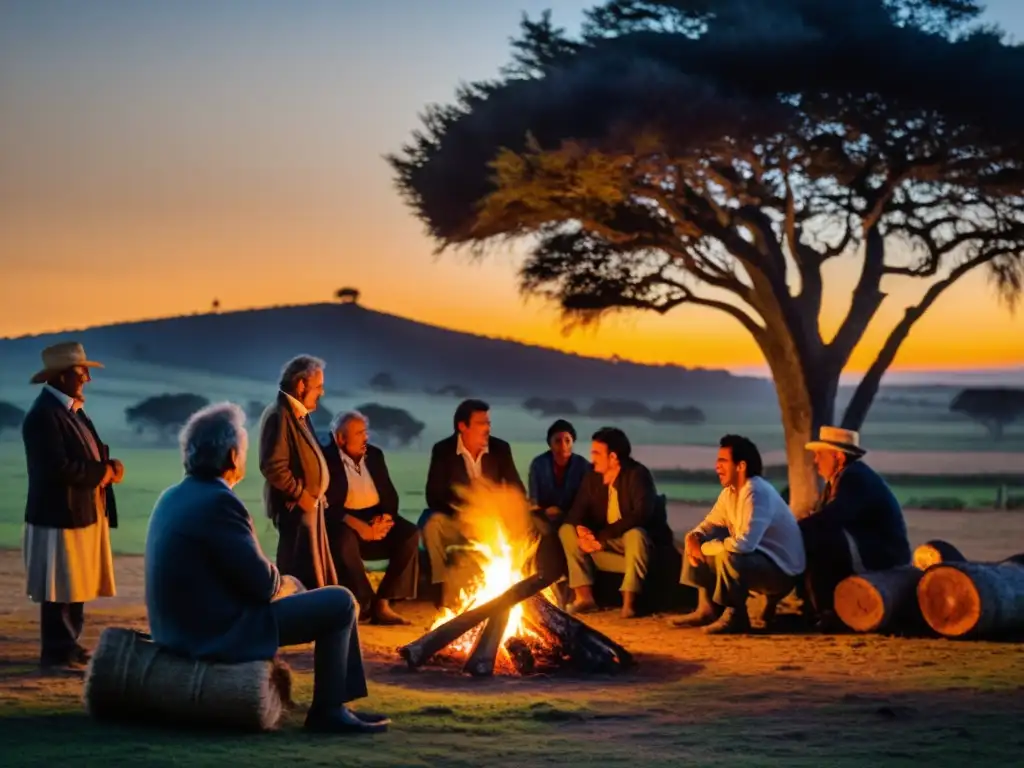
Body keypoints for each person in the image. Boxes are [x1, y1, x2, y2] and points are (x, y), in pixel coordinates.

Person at [145, 402, 389, 734]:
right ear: (233, 457)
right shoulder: (219, 501)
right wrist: (288, 584)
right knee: (340, 602)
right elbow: (261, 583)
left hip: (176, 628)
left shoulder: (171, 496)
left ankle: (339, 705)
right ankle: (330, 710)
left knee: (324, 598)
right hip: (214, 632)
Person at [22, 342, 124, 669]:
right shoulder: (44, 416)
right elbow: (58, 469)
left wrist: (107, 467)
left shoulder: (67, 410)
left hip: (77, 513)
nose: (87, 379)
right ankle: (56, 651)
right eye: (82, 372)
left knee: (75, 582)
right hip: (58, 515)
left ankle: (68, 645)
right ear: (63, 376)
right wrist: (105, 472)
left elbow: (80, 459)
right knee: (59, 586)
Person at [671, 435, 805, 634]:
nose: (717, 467)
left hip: (781, 572)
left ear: (741, 466)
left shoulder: (756, 492)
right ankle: (706, 609)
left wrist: (706, 547)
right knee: (694, 540)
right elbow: (710, 524)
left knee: (730, 555)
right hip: (758, 560)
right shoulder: (730, 493)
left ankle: (736, 616)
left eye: (723, 461)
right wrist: (695, 537)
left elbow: (744, 545)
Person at [799, 426, 911, 629]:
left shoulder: (854, 478)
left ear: (839, 457)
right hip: (867, 547)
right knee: (813, 534)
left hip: (882, 554)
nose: (815, 461)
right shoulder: (840, 479)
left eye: (820, 455)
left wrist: (794, 528)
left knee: (822, 539)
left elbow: (832, 517)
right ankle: (813, 607)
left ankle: (826, 611)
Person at [420, 399, 526, 604]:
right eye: (481, 423)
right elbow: (433, 495)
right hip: (457, 517)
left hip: (491, 522)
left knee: (522, 525)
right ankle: (441, 589)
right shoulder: (443, 450)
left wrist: (492, 502)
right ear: (462, 426)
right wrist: (466, 504)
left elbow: (517, 489)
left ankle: (509, 589)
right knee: (433, 525)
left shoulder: (500, 449)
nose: (487, 428)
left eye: (488, 423)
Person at [559, 427, 671, 619]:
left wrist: (601, 538)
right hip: (603, 545)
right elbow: (576, 512)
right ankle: (584, 597)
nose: (591, 458)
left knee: (635, 533)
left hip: (636, 547)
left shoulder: (637, 474)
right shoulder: (593, 477)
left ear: (613, 457)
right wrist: (582, 531)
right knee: (566, 530)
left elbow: (641, 514)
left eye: (596, 453)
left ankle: (630, 602)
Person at [322, 410, 419, 625]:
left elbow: (389, 495)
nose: (365, 437)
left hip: (375, 515)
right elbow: (327, 505)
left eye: (365, 432)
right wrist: (360, 526)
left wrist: (384, 519)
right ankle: (365, 602)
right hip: (344, 519)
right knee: (344, 538)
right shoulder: (326, 460)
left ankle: (382, 602)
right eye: (358, 433)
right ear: (340, 438)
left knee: (409, 534)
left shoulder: (374, 455)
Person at [259, 355, 337, 590]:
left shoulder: (297, 413)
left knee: (311, 571)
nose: (321, 393)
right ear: (301, 384)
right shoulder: (279, 415)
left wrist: (316, 491)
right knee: (298, 573)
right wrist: (300, 494)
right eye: (318, 386)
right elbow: (273, 465)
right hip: (296, 509)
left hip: (309, 508)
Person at [527, 419, 590, 587]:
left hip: (574, 516)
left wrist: (567, 513)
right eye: (557, 441)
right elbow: (534, 498)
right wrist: (546, 510)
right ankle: (540, 576)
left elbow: (586, 498)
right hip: (544, 514)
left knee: (567, 531)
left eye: (567, 440)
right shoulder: (539, 464)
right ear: (550, 444)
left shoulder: (582, 466)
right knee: (539, 528)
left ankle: (565, 579)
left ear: (572, 442)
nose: (563, 445)